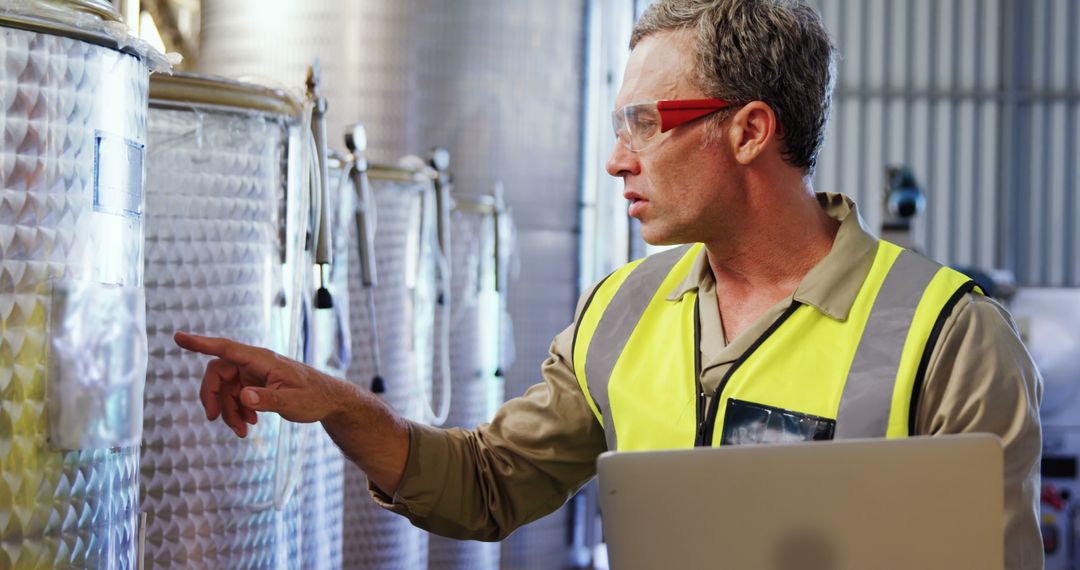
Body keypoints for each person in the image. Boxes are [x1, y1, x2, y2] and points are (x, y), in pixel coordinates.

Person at [175, 0, 1043, 567]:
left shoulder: (948, 339)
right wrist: (340, 405)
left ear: (749, 130)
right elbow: (487, 484)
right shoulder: (626, 308)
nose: (615, 157)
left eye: (643, 122)